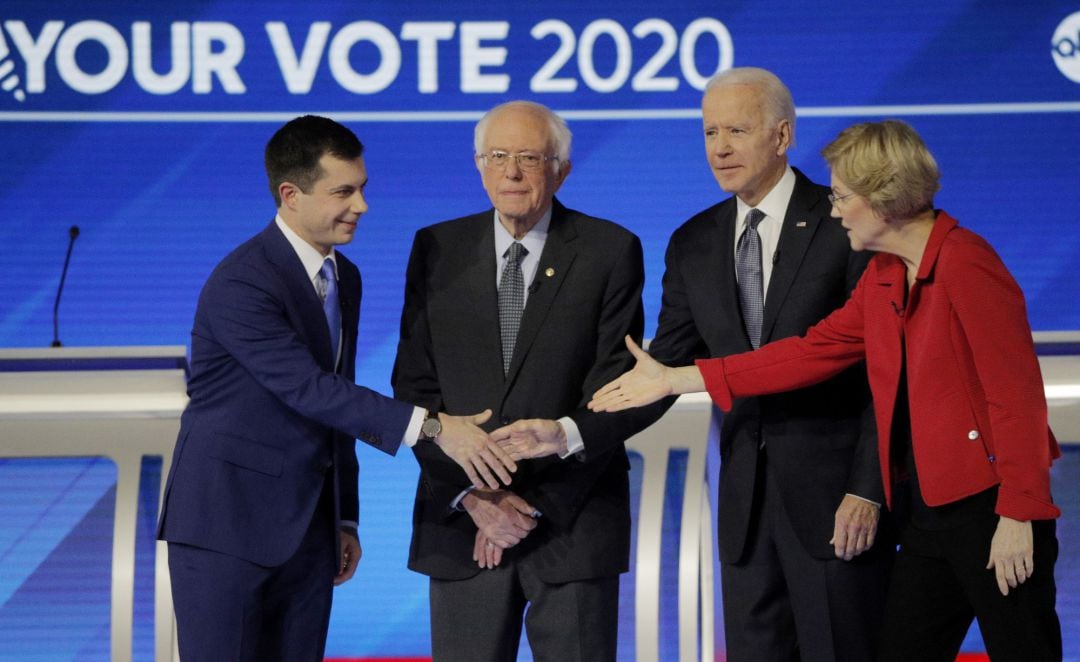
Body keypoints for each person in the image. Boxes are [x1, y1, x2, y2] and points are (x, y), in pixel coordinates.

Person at [591, 119, 1063, 662]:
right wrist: (680, 377)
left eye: (841, 196)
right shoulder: (885, 275)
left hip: (992, 507)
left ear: (883, 198)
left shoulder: (967, 263)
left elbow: (1017, 396)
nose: (833, 209)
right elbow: (808, 352)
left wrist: (1019, 513)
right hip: (928, 511)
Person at [500, 67, 891, 662]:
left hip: (837, 501)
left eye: (737, 129)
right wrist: (569, 431)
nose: (721, 148)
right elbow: (662, 371)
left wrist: (869, 488)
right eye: (710, 133)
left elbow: (879, 371)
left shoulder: (844, 223)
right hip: (744, 506)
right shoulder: (695, 241)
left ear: (782, 136)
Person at [156, 115, 516, 662]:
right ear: (290, 194)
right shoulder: (243, 281)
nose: (362, 206)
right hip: (224, 527)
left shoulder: (343, 276)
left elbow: (337, 403)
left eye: (362, 188)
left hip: (307, 531)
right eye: (343, 192)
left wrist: (343, 517)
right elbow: (309, 389)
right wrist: (435, 427)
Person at [391, 100, 648, 662]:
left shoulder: (609, 251)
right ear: (479, 166)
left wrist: (531, 508)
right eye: (498, 156)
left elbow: (614, 388)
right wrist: (476, 497)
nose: (511, 172)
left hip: (573, 524)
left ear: (561, 171)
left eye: (529, 158)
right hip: (463, 525)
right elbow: (414, 388)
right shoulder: (436, 248)